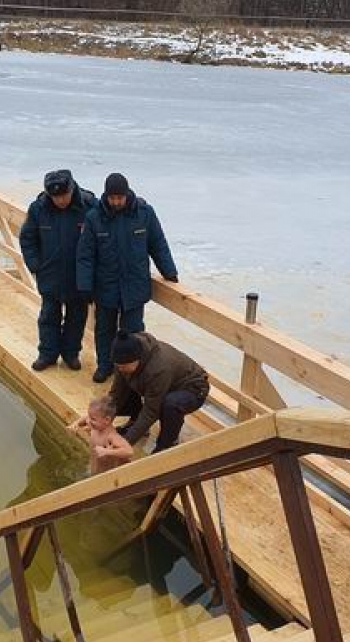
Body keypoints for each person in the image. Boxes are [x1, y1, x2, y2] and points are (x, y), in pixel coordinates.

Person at [77, 173, 178, 383]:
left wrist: (169, 271)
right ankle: (105, 365)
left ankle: (134, 372)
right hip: (106, 285)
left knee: (133, 333)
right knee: (105, 330)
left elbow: (158, 244)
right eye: (112, 198)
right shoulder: (94, 217)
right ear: (106, 196)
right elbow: (85, 255)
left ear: (127, 194)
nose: (116, 202)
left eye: (120, 198)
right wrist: (85, 285)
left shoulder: (145, 213)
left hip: (135, 285)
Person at [19, 169, 96, 371]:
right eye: (55, 197)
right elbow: (27, 238)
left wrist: (92, 273)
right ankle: (48, 354)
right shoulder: (38, 209)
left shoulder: (89, 206)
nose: (60, 200)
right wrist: (35, 265)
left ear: (72, 189)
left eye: (64, 195)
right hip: (50, 273)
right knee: (48, 316)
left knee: (77, 317)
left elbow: (102, 239)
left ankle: (71, 354)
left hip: (78, 276)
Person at [107, 330, 209, 453]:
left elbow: (151, 411)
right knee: (127, 385)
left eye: (123, 366)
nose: (120, 369)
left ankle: (167, 444)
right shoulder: (124, 359)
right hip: (165, 384)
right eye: (117, 365)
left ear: (137, 359)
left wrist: (126, 442)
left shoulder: (158, 369)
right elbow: (116, 394)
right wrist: (99, 418)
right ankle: (136, 423)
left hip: (193, 388)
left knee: (169, 404)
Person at [77, 395, 133, 475]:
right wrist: (76, 424)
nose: (89, 421)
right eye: (89, 417)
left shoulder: (111, 436)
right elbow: (85, 418)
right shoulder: (95, 427)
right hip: (93, 470)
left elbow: (129, 451)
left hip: (104, 477)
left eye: (93, 419)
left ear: (107, 420)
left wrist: (107, 451)